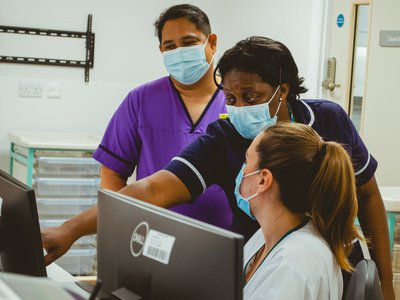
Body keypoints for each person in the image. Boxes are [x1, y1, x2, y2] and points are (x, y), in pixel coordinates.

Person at [43, 36, 394, 298]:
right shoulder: (227, 135)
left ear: (282, 90)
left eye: (251, 97)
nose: (238, 107)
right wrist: (71, 230)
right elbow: (151, 188)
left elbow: (368, 197)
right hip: (259, 257)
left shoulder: (328, 120)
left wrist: (388, 284)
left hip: (315, 263)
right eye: (229, 98)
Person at [41, 4, 232, 264]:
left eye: (188, 42)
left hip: (225, 244)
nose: (179, 52)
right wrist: (129, 223)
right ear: (161, 50)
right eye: (170, 46)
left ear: (211, 42)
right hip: (155, 241)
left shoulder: (237, 104)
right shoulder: (141, 100)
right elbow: (112, 172)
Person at [240, 122, 360, 299]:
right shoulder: (268, 235)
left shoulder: (292, 264)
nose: (241, 170)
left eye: (246, 160)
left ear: (263, 180)